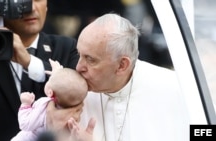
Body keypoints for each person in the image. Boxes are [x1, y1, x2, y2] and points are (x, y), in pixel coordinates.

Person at [47, 13, 190, 141]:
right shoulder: (71, 92)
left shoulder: (178, 88)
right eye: (80, 55)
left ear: (122, 65)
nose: (79, 67)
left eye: (90, 59)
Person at [0, 0, 82, 140]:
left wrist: (29, 62)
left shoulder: (67, 48)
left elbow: (77, 94)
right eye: (21, 0)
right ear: (0, 6)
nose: (31, 8)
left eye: (38, 0)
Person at [11, 59, 88, 141]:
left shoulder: (44, 107)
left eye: (49, 80)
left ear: (50, 92)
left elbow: (25, 124)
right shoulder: (73, 110)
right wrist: (57, 74)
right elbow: (64, 85)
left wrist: (25, 105)